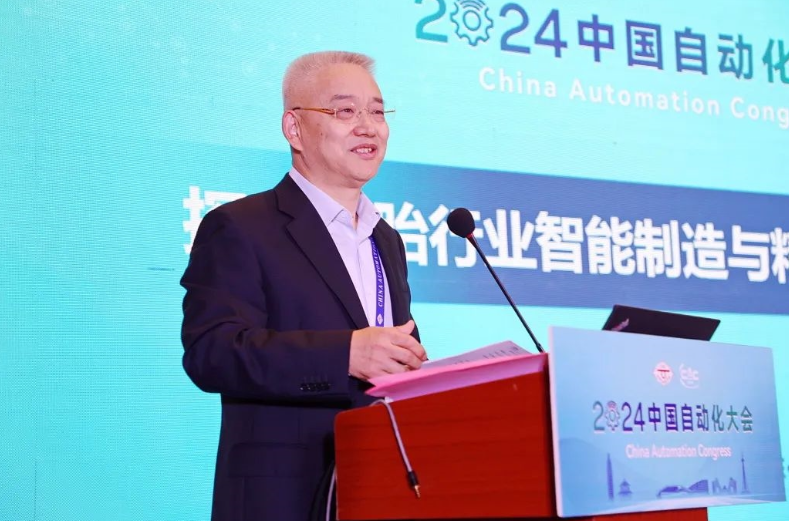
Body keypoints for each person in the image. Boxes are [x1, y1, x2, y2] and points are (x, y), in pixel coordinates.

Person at [180, 50, 427, 521]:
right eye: (345, 111)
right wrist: (345, 354)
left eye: (377, 112)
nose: (368, 127)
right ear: (294, 128)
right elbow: (212, 353)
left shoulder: (387, 240)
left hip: (376, 488)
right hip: (283, 498)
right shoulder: (240, 226)